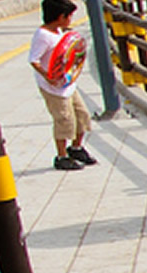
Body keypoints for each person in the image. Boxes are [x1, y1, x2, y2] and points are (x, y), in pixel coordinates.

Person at [31, 0, 96, 171]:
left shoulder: (59, 31)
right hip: (54, 88)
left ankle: (76, 148)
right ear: (61, 17)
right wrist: (48, 77)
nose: (71, 20)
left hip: (68, 84)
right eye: (69, 16)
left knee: (82, 115)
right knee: (64, 120)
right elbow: (34, 60)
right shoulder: (43, 36)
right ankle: (61, 156)